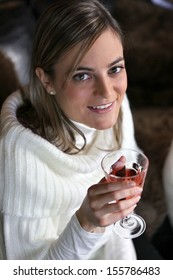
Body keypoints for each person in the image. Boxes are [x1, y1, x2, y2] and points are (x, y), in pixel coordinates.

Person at [0, 0, 161, 260]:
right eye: (82, 75)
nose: (108, 93)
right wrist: (86, 224)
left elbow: (130, 153)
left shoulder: (113, 102)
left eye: (115, 69)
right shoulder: (19, 156)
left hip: (118, 234)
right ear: (47, 80)